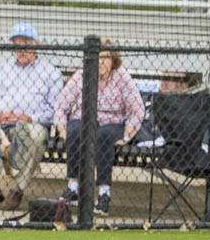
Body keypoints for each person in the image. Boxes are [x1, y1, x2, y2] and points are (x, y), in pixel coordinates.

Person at [0, 22, 63, 210]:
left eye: (26, 43)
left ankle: (16, 189)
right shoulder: (1, 69)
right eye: (17, 43)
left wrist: (28, 117)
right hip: (1, 123)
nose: (21, 49)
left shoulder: (51, 72)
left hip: (31, 124)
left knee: (37, 136)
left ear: (36, 45)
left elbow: (56, 110)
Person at [53, 39, 145, 216]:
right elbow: (60, 105)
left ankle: (104, 194)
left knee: (103, 136)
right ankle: (73, 187)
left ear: (113, 60)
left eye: (106, 57)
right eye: (98, 57)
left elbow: (138, 109)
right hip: (84, 119)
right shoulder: (81, 75)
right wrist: (61, 128)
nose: (101, 61)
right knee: (75, 129)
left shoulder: (122, 77)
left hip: (112, 123)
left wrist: (127, 134)